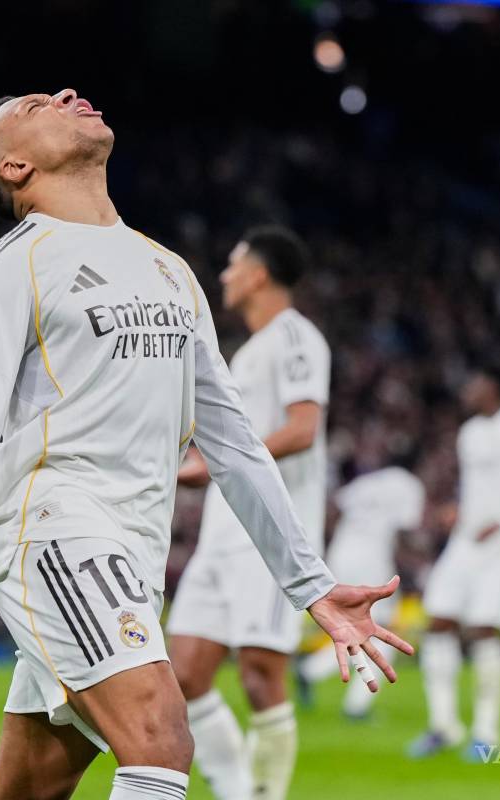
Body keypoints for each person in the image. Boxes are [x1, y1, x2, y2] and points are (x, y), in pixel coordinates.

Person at [0, 88, 414, 800]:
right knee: (160, 740)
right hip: (51, 528)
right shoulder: (16, 262)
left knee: (28, 787)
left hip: (133, 549)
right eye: (36, 105)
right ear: (16, 167)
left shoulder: (168, 268)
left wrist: (312, 585)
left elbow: (234, 443)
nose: (65, 94)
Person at [164, 225, 331, 800]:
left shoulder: (296, 338)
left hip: (269, 535)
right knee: (183, 675)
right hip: (221, 532)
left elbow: (303, 429)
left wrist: (215, 464)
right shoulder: (248, 351)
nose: (225, 276)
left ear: (259, 275)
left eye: (234, 265)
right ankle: (239, 792)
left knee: (260, 675)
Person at [408, 366, 500, 760]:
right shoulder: (469, 432)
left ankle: (487, 734)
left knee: (484, 629)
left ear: (495, 386)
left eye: (476, 382)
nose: (468, 389)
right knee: (438, 620)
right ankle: (443, 726)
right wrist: (459, 510)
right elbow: (479, 488)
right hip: (465, 541)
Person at [297, 450, 426, 720]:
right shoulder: (408, 484)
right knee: (382, 632)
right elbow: (407, 531)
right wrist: (415, 565)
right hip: (372, 560)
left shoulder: (367, 482)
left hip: (340, 555)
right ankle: (357, 706)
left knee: (356, 629)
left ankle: (310, 671)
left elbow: (335, 509)